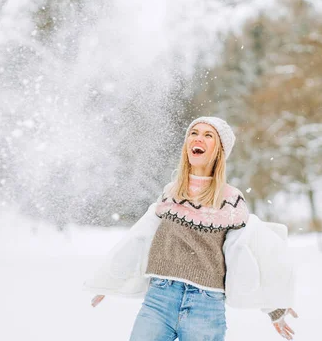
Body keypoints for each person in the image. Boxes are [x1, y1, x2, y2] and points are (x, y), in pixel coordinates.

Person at [85, 117, 297, 340]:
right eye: (194, 133)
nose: (198, 138)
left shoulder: (231, 200)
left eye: (208, 135)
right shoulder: (171, 192)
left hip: (205, 307)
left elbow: (250, 250)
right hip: (159, 300)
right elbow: (140, 237)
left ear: (219, 150)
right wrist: (109, 281)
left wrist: (274, 305)